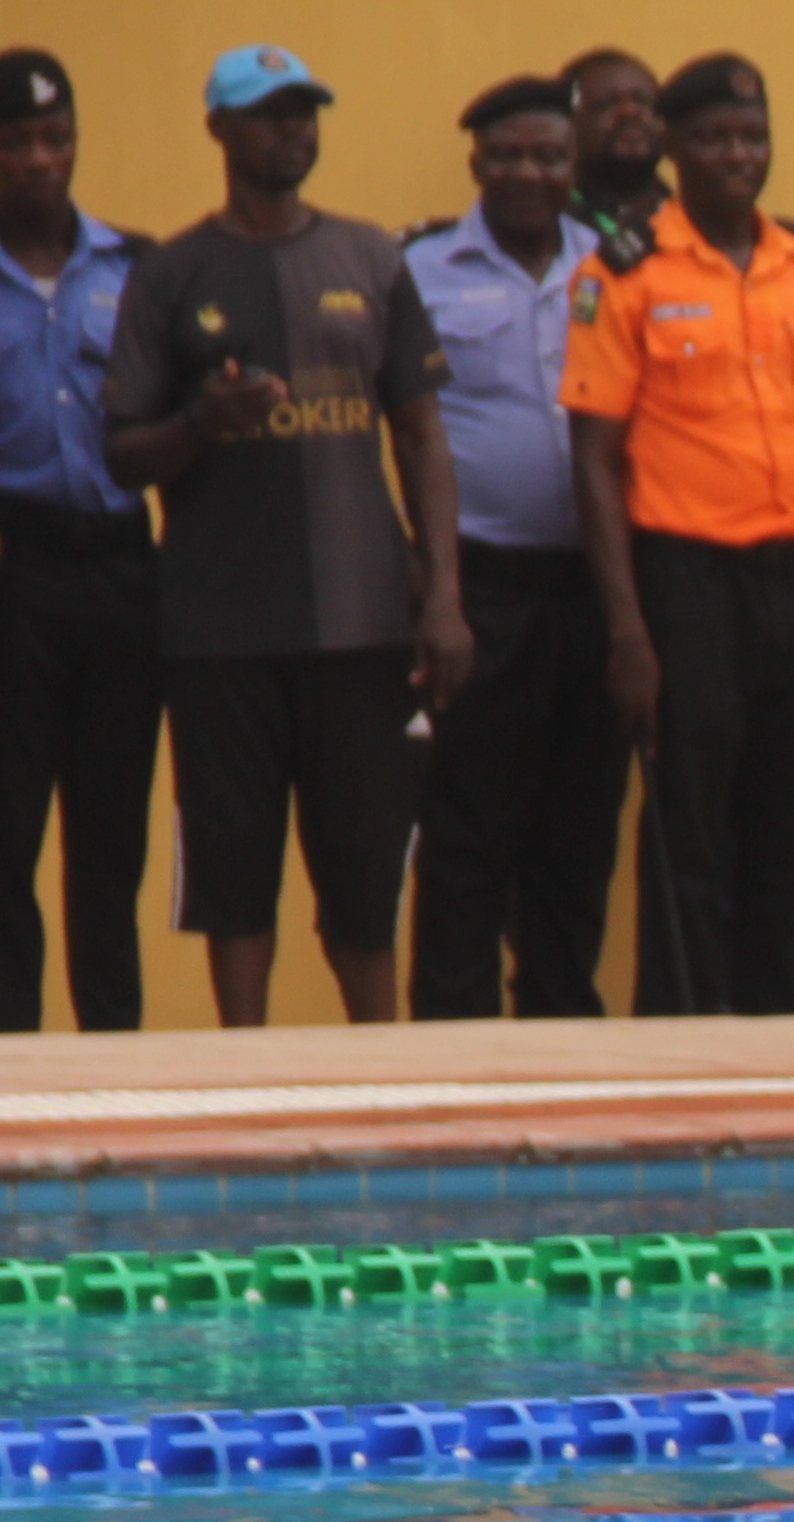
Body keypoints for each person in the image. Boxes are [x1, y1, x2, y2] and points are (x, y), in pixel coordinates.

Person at [105, 44, 461, 1029]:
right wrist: (199, 428)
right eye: (268, 113)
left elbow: (423, 434)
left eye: (305, 112)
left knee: (362, 878)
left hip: (362, 625)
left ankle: (380, 1070)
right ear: (218, 128)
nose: (292, 131)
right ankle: (240, 1074)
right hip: (220, 633)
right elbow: (124, 453)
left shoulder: (371, 259)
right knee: (233, 879)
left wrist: (443, 595)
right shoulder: (172, 275)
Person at [567, 55, 794, 1019]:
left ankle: (776, 1051)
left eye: (752, 135)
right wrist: (627, 631)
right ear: (669, 145)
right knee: (690, 845)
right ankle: (688, 1064)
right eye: (714, 137)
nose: (738, 155)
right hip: (687, 587)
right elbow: (593, 460)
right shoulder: (622, 271)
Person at [408, 74, 626, 1019]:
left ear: (576, 165)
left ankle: (561, 1044)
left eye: (548, 155)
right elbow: (402, 434)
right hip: (482, 592)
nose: (529, 172)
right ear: (476, 163)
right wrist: (437, 592)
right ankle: (451, 1063)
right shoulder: (418, 270)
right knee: (467, 841)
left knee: (577, 841)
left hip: (596, 592)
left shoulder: (616, 266)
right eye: (508, 155)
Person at [0, 50, 154, 1035]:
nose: (38, 160)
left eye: (54, 139)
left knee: (111, 845)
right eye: (15, 143)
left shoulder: (136, 266)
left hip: (124, 571)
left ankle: (117, 1057)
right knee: (8, 842)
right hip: (15, 575)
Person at [563, 47, 668, 249]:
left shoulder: (694, 219)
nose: (630, 112)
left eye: (643, 101)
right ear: (568, 125)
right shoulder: (550, 229)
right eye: (606, 104)